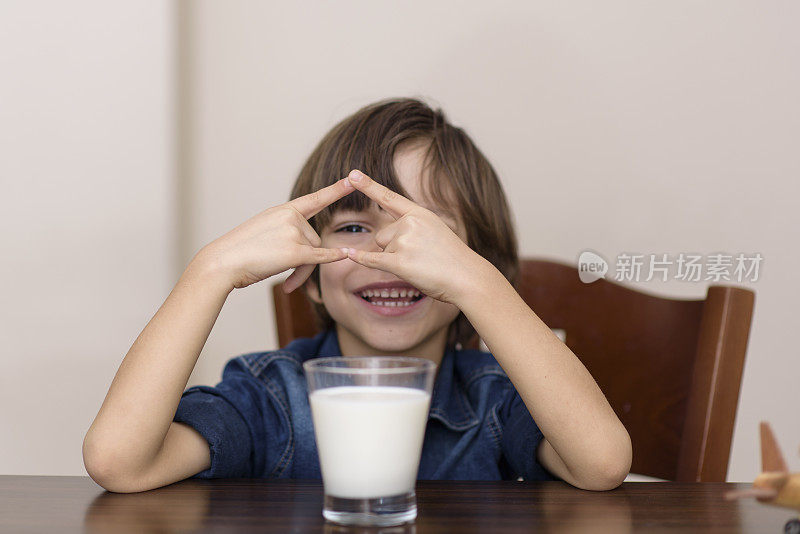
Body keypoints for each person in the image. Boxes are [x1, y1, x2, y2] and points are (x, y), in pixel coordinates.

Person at [83, 98, 632, 493]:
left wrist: (480, 282)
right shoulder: (270, 397)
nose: (386, 252)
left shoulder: (497, 401)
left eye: (426, 234)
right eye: (351, 228)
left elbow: (602, 464)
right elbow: (118, 463)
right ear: (307, 266)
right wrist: (210, 271)